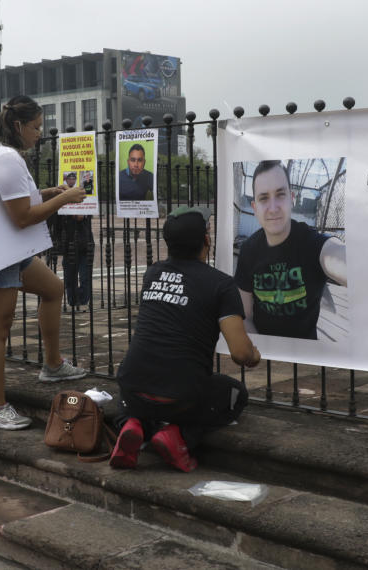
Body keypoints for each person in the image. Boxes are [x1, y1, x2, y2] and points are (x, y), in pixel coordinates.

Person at [0, 95, 89, 431]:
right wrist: (65, 198)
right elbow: (22, 218)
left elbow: (11, 200)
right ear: (18, 126)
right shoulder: (6, 158)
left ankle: (52, 364)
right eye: (35, 127)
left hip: (0, 246)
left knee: (53, 287)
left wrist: (46, 192)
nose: (39, 134)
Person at [111, 205, 261, 472]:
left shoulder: (152, 274)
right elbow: (240, 352)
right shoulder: (221, 284)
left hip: (133, 387)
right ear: (206, 240)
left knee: (137, 397)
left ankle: (132, 425)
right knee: (235, 395)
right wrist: (254, 355)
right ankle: (179, 437)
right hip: (181, 398)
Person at [234, 160, 347, 340]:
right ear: (254, 207)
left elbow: (337, 257)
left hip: (307, 358)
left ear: (292, 198)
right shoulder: (248, 251)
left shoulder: (311, 242)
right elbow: (245, 317)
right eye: (263, 198)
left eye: (280, 194)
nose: (273, 208)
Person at [59, 214, 94, 312]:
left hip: (85, 243)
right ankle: (73, 302)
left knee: (85, 276)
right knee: (70, 277)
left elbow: (80, 216)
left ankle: (82, 302)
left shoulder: (86, 204)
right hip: (68, 243)